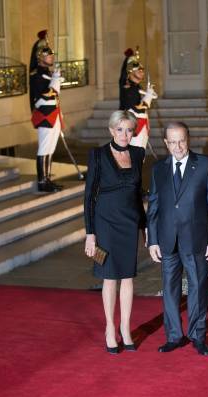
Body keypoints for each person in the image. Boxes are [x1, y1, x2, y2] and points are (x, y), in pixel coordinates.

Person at [146, 122, 208, 356]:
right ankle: (174, 336)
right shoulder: (158, 169)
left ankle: (198, 335)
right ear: (166, 143)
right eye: (172, 142)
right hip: (167, 240)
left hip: (197, 239)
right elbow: (154, 206)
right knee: (169, 290)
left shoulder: (205, 165)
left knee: (198, 287)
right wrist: (153, 240)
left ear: (188, 139)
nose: (178, 146)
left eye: (181, 140)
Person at [84, 110, 147, 354]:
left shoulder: (138, 153)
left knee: (128, 276)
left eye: (129, 129)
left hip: (130, 223)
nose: (124, 134)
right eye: (119, 129)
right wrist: (90, 233)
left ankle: (126, 328)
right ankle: (110, 328)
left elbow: (138, 194)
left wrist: (144, 227)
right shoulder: (98, 155)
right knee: (109, 276)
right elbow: (89, 197)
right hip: (104, 224)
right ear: (111, 130)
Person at [29, 30, 64, 193]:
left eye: (51, 55)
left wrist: (55, 80)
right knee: (44, 148)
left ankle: (48, 178)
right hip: (44, 116)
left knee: (51, 148)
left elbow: (55, 96)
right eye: (48, 55)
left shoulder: (49, 74)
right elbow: (42, 98)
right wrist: (54, 82)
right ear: (40, 57)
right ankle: (42, 181)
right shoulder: (36, 75)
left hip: (54, 115)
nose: (52, 57)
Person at [118, 47, 157, 149]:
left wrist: (148, 94)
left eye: (142, 71)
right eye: (139, 70)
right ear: (131, 72)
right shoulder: (128, 88)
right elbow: (137, 108)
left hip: (141, 125)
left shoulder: (136, 88)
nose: (142, 73)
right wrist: (148, 97)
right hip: (134, 126)